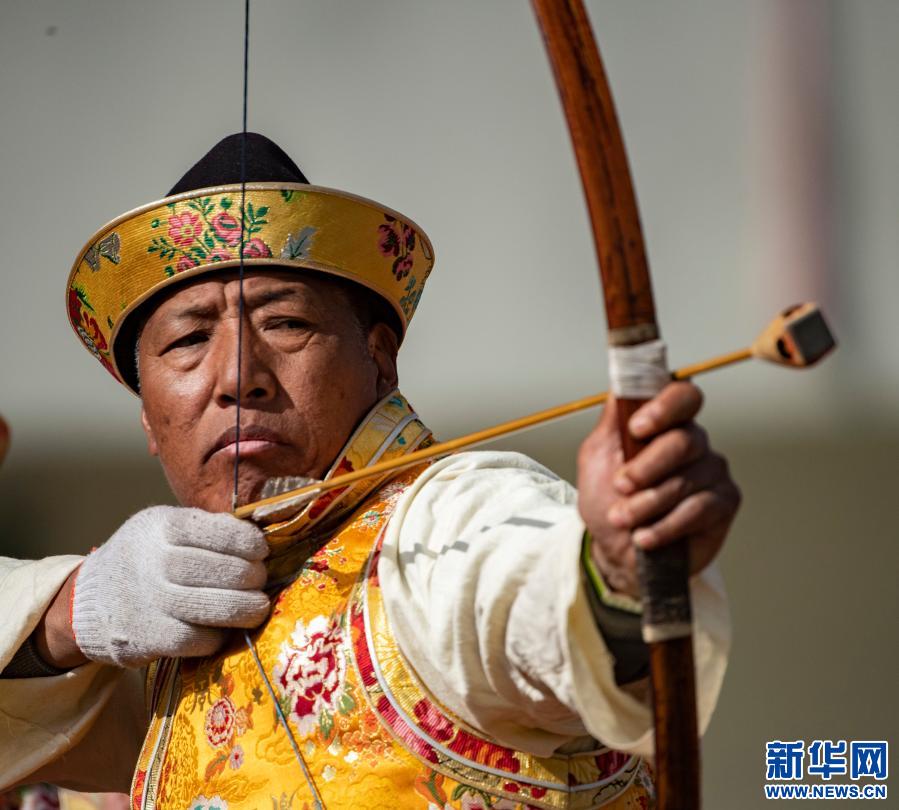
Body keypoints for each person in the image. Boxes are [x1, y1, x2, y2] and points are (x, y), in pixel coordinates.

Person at [0, 134, 738, 809]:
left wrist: (610, 566)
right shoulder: (147, 636)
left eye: (286, 323)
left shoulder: (438, 526)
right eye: (188, 339)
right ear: (147, 420)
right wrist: (71, 615)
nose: (237, 376)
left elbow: (513, 581)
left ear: (380, 360)